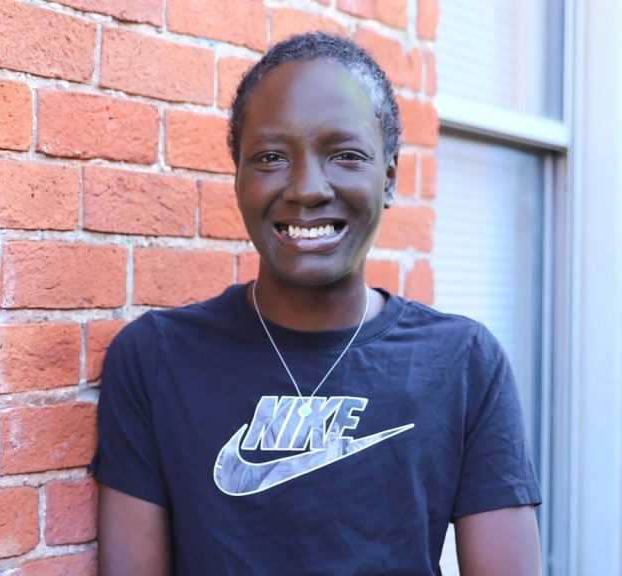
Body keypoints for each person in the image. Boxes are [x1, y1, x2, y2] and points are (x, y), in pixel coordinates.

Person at [91, 32, 541, 575]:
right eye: (271, 157)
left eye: (345, 155)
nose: (307, 188)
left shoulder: (463, 362)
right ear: (238, 178)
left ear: (389, 178)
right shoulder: (157, 359)